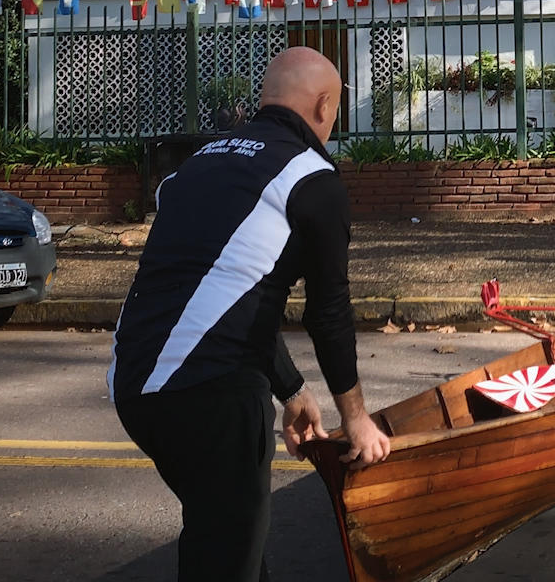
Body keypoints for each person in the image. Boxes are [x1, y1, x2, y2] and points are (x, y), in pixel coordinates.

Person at [109, 46, 391, 582]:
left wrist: (291, 390)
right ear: (324, 104)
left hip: (135, 387)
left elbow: (233, 292)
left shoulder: (202, 163)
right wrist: (356, 420)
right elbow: (328, 311)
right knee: (226, 556)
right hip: (211, 394)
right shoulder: (313, 178)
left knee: (225, 540)